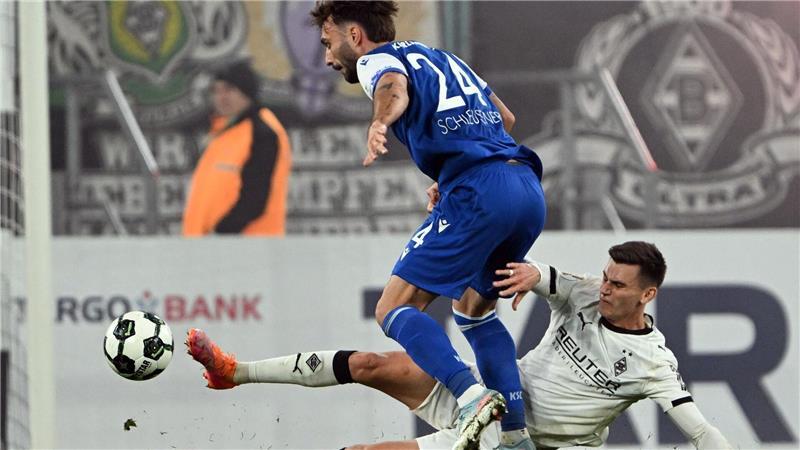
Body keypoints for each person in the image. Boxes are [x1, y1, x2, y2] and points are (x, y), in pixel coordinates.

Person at [186, 241, 732, 449]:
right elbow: (543, 274)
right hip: (494, 402)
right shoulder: (587, 294)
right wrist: (527, 274)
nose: (605, 288)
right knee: (372, 363)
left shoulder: (654, 362)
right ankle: (235, 371)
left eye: (618, 284)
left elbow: (700, 432)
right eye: (606, 276)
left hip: (530, 445)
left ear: (648, 294)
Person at [307, 2, 547, 448]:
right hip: (525, 186)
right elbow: (506, 120)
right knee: (473, 310)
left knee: (393, 309)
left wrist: (380, 121)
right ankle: (515, 438)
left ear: (354, 35)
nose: (327, 57)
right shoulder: (445, 58)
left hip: (479, 194)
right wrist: (451, 172)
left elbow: (393, 88)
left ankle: (471, 396)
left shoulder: (378, 61)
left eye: (328, 42)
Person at [182, 60, 292, 236]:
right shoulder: (225, 132)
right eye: (216, 91)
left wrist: (219, 233)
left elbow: (255, 199)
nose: (221, 98)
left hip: (246, 248)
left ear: (247, 91)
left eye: (229, 90)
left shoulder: (262, 132)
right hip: (218, 248)